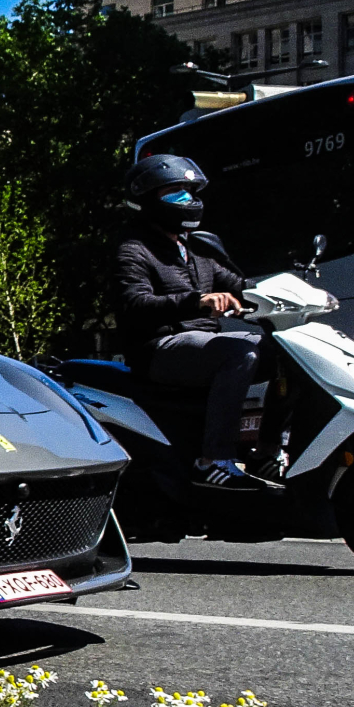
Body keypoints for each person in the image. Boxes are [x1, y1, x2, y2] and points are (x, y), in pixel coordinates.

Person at [114, 152, 267, 488]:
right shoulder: (133, 249)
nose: (186, 199)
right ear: (146, 200)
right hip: (160, 348)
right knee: (239, 353)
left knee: (282, 353)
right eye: (174, 192)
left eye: (189, 191)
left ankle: (267, 455)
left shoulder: (198, 249)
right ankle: (213, 461)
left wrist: (284, 292)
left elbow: (241, 286)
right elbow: (135, 303)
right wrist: (196, 302)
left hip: (201, 344)